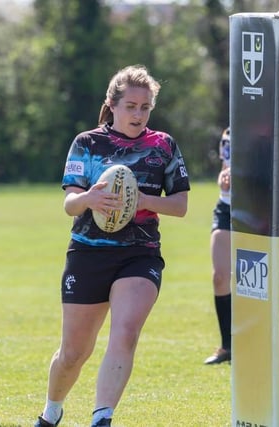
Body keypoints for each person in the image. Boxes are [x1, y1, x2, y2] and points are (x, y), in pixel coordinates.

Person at [34, 64, 190, 427]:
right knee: (74, 353)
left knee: (125, 330)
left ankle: (102, 418)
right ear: (113, 104)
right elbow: (69, 203)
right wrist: (88, 198)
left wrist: (145, 201)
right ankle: (52, 410)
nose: (138, 114)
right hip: (88, 252)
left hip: (140, 254)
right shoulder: (87, 143)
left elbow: (180, 205)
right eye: (131, 106)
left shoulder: (163, 145)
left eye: (145, 107)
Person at [204, 127, 232, 365]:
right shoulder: (228, 134)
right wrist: (223, 180)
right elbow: (225, 169)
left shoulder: (271, 128)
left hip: (259, 209)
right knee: (220, 277)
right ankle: (227, 346)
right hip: (227, 208)